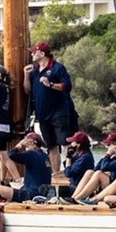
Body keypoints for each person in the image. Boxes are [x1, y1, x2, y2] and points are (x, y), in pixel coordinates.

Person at [24, 42, 74, 177]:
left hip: (58, 112)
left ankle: (68, 170)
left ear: (42, 54)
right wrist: (25, 75)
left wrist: (50, 84)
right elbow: (28, 90)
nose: (32, 54)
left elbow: (67, 86)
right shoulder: (34, 70)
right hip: (42, 114)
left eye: (34, 52)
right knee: (51, 145)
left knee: (64, 142)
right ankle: (55, 173)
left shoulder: (58, 68)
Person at [69, 132, 116, 204]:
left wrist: (108, 155)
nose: (107, 147)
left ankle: (78, 199)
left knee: (98, 174)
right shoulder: (114, 156)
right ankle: (74, 197)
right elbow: (97, 168)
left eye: (109, 145)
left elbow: (104, 167)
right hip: (113, 184)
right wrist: (107, 157)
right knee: (90, 172)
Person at [0, 132, 52, 203]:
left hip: (31, 193)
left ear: (31, 143)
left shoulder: (31, 154)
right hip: (44, 191)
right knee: (13, 185)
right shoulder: (45, 156)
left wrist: (19, 145)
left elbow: (11, 155)